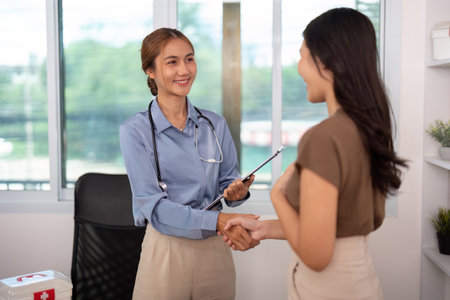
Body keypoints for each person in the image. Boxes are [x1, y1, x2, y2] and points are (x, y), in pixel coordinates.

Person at [223, 7, 407, 300]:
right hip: (358, 281)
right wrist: (263, 228)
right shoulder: (369, 128)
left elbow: (317, 255)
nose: (299, 67)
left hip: (328, 289)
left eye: (302, 55)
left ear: (325, 62)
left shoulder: (323, 138)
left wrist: (277, 197)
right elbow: (333, 229)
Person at [119, 27, 259, 300]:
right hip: (166, 250)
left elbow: (227, 183)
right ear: (150, 70)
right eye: (172, 62)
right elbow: (155, 209)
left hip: (215, 250)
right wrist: (219, 219)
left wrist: (237, 192)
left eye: (189, 59)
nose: (184, 70)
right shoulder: (135, 131)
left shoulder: (214, 124)